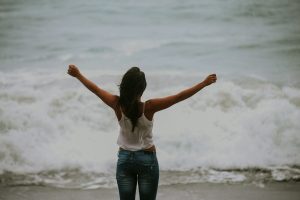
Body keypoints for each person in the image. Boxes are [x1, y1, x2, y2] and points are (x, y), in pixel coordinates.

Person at [67, 65, 217, 200]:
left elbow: (96, 90)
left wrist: (78, 75)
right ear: (142, 89)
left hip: (124, 159)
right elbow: (178, 97)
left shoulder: (116, 104)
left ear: (124, 86)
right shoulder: (149, 107)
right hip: (147, 159)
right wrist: (203, 84)